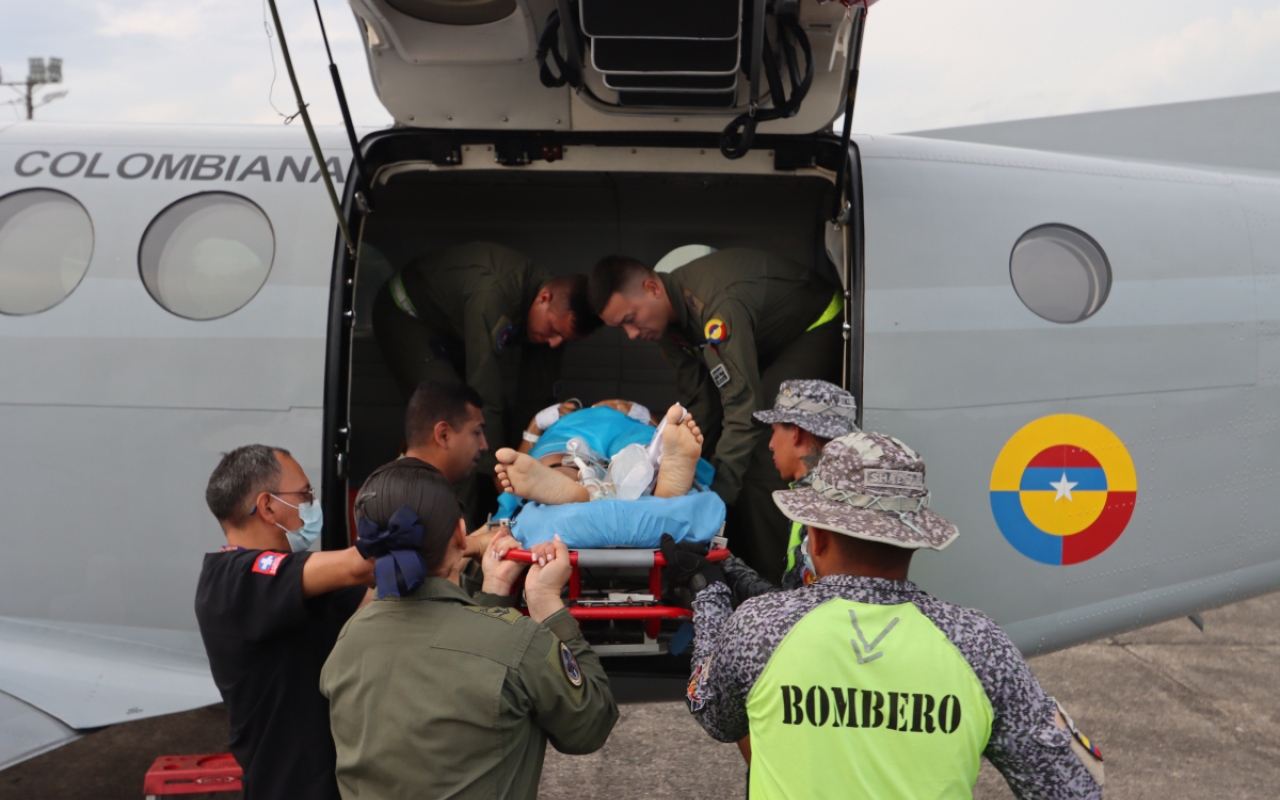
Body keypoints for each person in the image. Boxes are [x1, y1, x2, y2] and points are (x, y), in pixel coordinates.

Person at [666, 432, 1104, 799]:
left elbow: (713, 712)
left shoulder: (762, 626)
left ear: (815, 537)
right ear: (913, 541)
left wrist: (709, 597)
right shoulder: (978, 643)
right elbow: (1072, 789)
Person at [321, 459, 618, 799]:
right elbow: (590, 726)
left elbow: (462, 656)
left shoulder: (350, 638)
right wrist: (545, 601)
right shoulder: (520, 643)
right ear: (461, 534)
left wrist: (494, 587)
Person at [589, 248, 844, 585]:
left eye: (630, 319)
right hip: (767, 340)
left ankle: (776, 584)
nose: (632, 335)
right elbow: (700, 404)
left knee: (765, 446)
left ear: (652, 288)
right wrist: (692, 472)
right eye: (621, 329)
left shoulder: (715, 306)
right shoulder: (668, 327)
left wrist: (716, 498)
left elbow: (743, 407)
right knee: (725, 449)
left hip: (816, 322)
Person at [373, 241, 603, 522]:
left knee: (492, 427)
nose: (555, 343)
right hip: (407, 314)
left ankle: (494, 519)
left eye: (564, 339)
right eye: (554, 331)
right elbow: (485, 389)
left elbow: (537, 399)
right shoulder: (491, 292)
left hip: (452, 327)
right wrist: (497, 468)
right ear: (543, 298)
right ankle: (455, 533)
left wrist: (524, 457)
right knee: (458, 423)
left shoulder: (552, 318)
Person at [195, 445, 375, 800]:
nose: (312, 504)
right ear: (267, 506)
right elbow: (360, 565)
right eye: (305, 494)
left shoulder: (298, 587)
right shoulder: (232, 579)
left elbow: (384, 603)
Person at [720, 379, 860, 603]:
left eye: (773, 432)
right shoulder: (841, 494)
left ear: (796, 433)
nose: (771, 444)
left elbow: (797, 611)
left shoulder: (820, 507)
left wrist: (725, 568)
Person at [493, 403, 705, 505]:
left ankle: (571, 486)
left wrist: (535, 427)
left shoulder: (556, 424)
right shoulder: (558, 421)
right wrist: (537, 423)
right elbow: (511, 478)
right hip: (624, 429)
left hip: (570, 433)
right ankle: (658, 481)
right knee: (642, 447)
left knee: (559, 457)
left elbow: (507, 483)